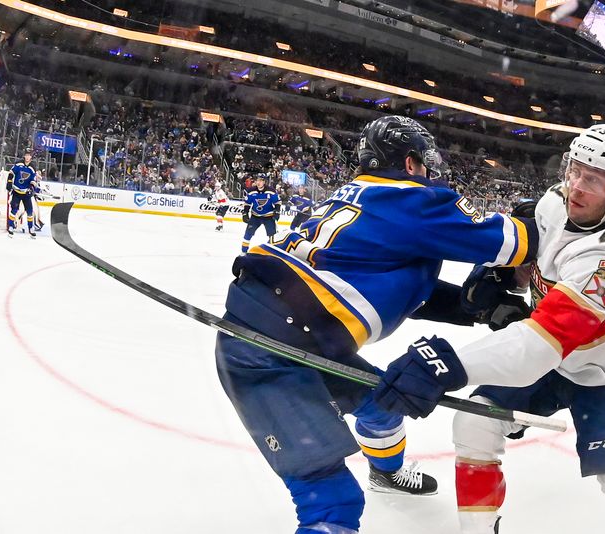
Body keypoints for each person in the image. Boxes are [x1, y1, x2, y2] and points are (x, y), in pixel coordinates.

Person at [214, 115, 538, 534]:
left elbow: (391, 284)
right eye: (424, 162)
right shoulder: (410, 200)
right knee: (331, 504)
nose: (428, 171)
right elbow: (516, 243)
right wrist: (558, 215)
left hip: (295, 339)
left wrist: (470, 308)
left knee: (384, 403)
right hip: (270, 355)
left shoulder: (358, 200)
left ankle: (385, 472)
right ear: (408, 164)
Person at [373, 124, 605, 533]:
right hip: (554, 364)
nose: (578, 188)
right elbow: (533, 259)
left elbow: (543, 343)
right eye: (575, 170)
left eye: (596, 181)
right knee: (475, 423)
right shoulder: (553, 202)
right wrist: (505, 276)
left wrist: (446, 364)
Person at [241, 175, 281, 253]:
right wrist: (245, 212)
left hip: (269, 217)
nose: (258, 182)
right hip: (255, 216)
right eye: (257, 180)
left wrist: (277, 211)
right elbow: (247, 203)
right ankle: (243, 252)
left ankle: (273, 253)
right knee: (247, 234)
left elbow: (277, 202)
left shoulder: (271, 191)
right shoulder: (251, 191)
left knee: (272, 237)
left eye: (260, 180)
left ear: (264, 182)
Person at [7, 152, 38, 238]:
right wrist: (9, 182)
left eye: (29, 155)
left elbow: (33, 180)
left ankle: (31, 228)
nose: (27, 157)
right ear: (24, 156)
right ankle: (10, 226)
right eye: (26, 155)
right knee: (14, 209)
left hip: (26, 193)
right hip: (17, 192)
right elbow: (11, 173)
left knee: (30, 211)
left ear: (31, 157)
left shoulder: (32, 168)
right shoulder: (18, 164)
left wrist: (31, 188)